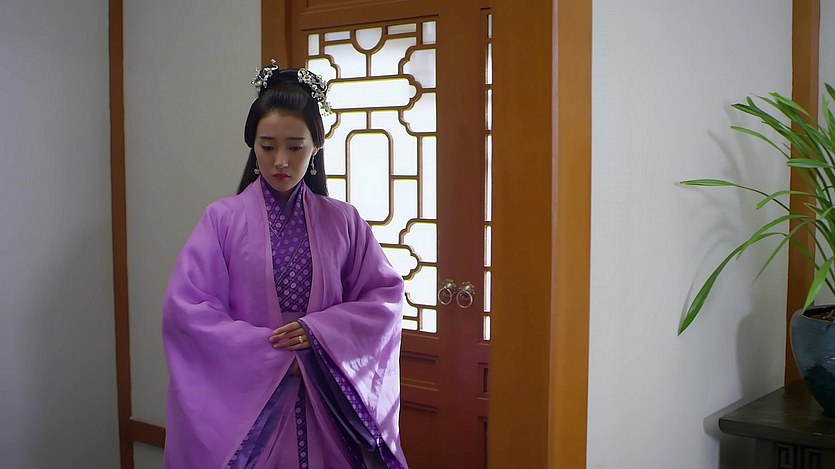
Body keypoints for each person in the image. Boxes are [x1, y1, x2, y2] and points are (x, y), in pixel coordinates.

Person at [162, 59, 408, 469]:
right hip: (250, 402)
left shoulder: (344, 221)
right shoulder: (221, 219)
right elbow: (188, 312)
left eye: (295, 147)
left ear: (315, 148)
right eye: (267, 146)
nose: (280, 161)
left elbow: (383, 300)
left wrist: (320, 337)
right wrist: (275, 357)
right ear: (252, 146)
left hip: (325, 393)